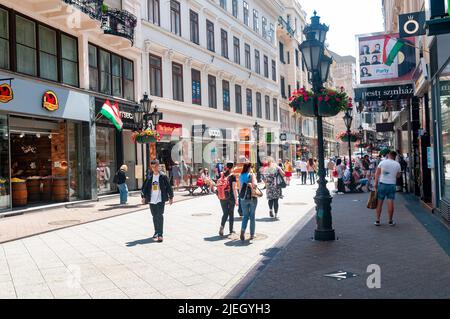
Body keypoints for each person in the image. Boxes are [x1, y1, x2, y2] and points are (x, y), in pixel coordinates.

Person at [141, 159, 174, 242]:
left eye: (155, 166)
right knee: (154, 216)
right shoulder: (149, 176)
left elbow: (169, 187)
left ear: (158, 166)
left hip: (160, 199)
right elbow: (144, 187)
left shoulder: (163, 176)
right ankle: (156, 231)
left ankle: (160, 234)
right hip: (151, 200)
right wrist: (143, 196)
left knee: (160, 215)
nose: (154, 168)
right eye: (152, 167)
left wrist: (171, 197)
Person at [374, 151, 402, 226]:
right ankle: (390, 221)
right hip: (392, 185)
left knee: (379, 203)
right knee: (390, 202)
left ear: (388, 155)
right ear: (395, 156)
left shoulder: (382, 162)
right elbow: (398, 176)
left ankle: (377, 220)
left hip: (382, 184)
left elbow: (377, 173)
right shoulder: (397, 164)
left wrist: (376, 183)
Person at [218, 161, 238, 237]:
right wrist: (236, 199)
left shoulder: (222, 175)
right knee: (231, 213)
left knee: (225, 213)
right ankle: (231, 230)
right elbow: (234, 188)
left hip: (222, 196)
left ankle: (222, 226)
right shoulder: (232, 176)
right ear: (232, 167)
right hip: (230, 196)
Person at [239, 163, 258, 241]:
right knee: (252, 216)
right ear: (249, 168)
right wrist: (254, 176)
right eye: (251, 167)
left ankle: (242, 231)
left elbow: (240, 187)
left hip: (243, 198)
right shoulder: (251, 175)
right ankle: (252, 235)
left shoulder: (241, 175)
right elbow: (255, 185)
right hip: (252, 197)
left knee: (245, 216)